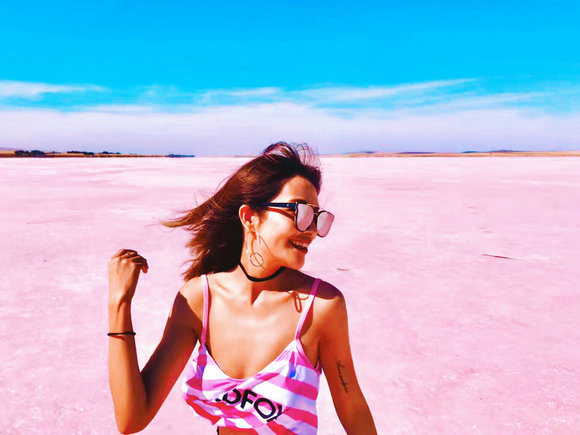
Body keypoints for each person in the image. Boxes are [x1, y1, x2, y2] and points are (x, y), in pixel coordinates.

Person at [108, 142, 376, 434]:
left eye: (317, 217)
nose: (311, 229)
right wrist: (119, 304)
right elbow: (132, 418)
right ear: (249, 217)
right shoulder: (199, 300)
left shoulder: (322, 305)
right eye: (300, 212)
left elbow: (353, 409)